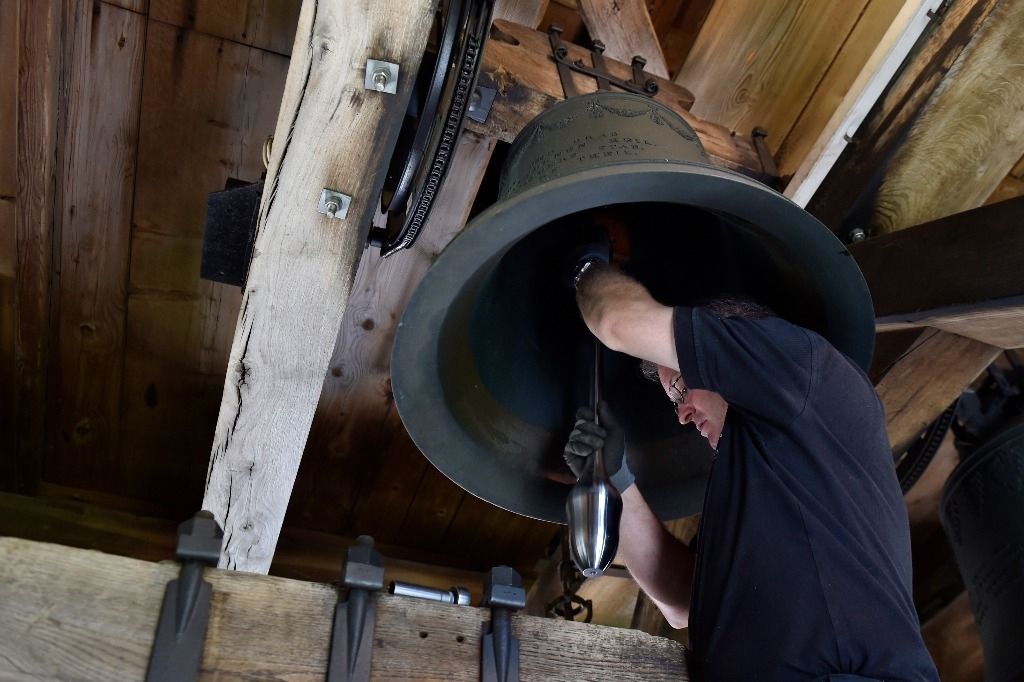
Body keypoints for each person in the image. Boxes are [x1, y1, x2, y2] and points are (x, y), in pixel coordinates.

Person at [563, 260, 939, 682]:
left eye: (682, 388)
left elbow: (615, 320)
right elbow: (681, 602)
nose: (683, 415)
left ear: (733, 346)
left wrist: (584, 266)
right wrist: (616, 479)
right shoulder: (762, 480)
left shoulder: (796, 363)